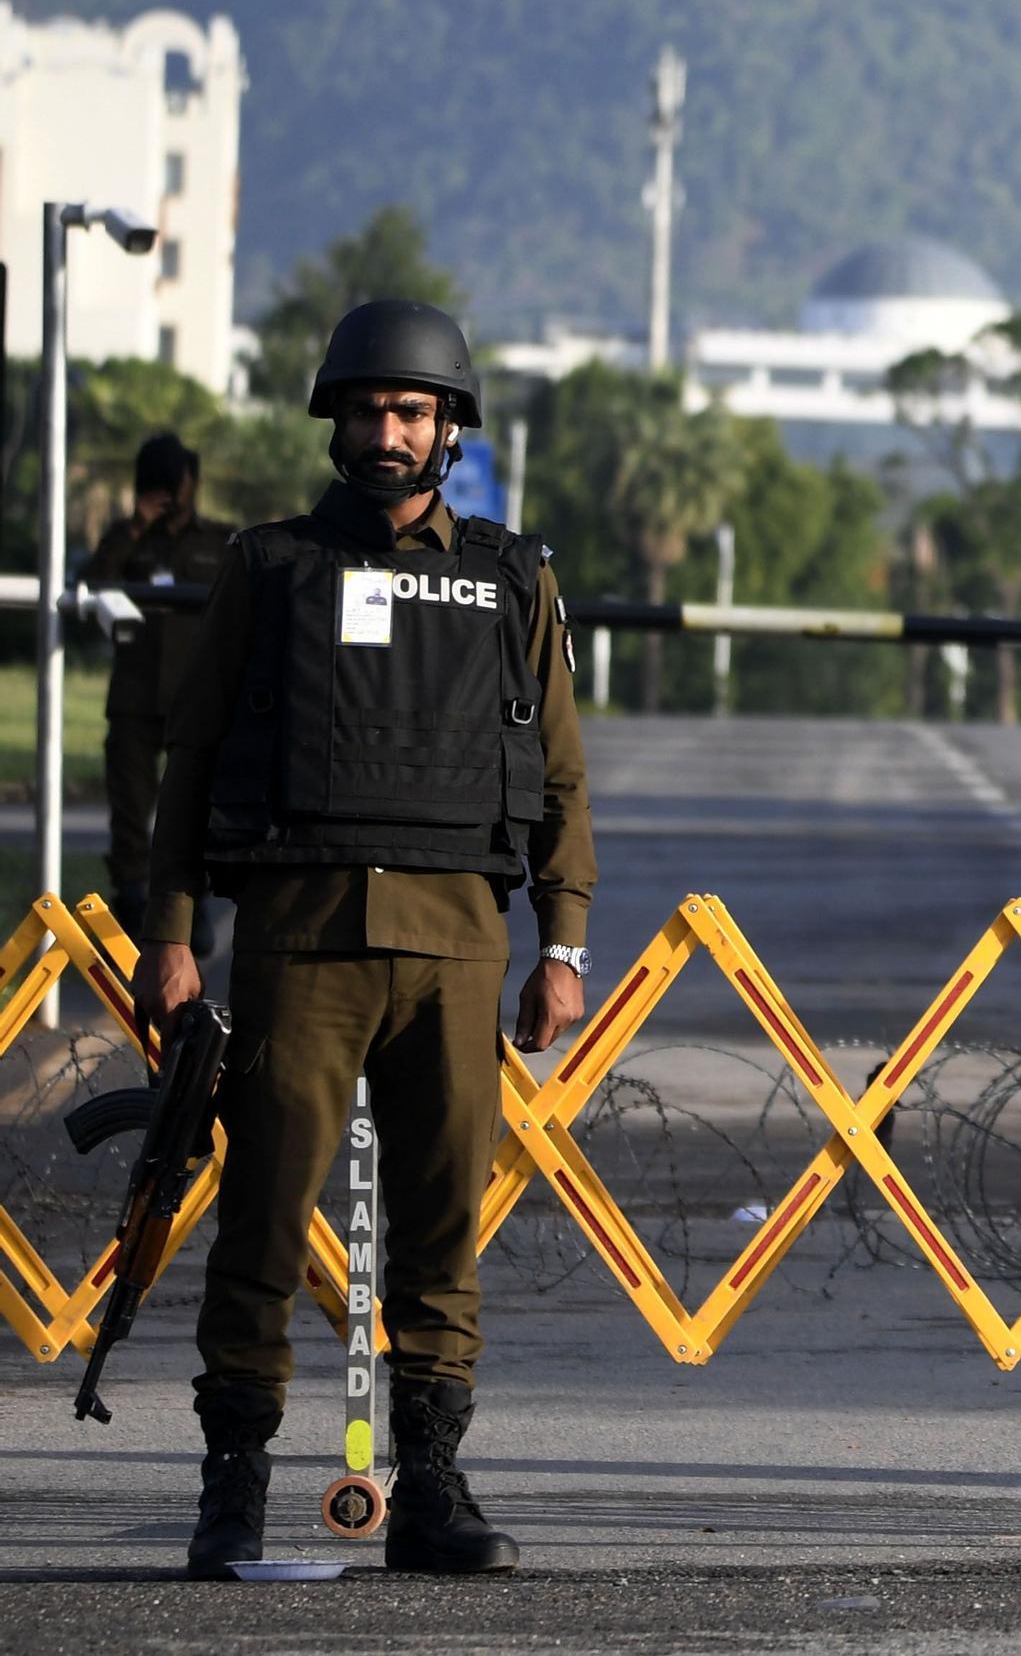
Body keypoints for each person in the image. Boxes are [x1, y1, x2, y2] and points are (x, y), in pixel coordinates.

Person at [137, 300, 593, 1579]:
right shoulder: (270, 567)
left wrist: (562, 947)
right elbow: (192, 757)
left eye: (412, 411)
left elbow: (560, 777)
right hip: (302, 942)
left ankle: (431, 1488)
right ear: (335, 423)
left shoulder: (513, 577)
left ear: (449, 428)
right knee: (264, 1224)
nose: (389, 432)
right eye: (369, 410)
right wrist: (170, 932)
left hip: (456, 950)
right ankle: (233, 1488)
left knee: (442, 1232)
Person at [91, 431, 238, 939]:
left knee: (195, 807)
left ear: (190, 481)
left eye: (172, 483)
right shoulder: (126, 539)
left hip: (194, 700)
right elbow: (91, 585)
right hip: (134, 697)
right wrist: (135, 525)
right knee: (129, 811)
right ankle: (130, 902)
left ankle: (191, 909)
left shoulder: (219, 541)